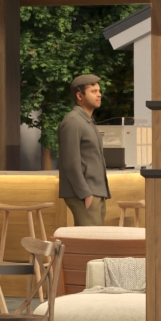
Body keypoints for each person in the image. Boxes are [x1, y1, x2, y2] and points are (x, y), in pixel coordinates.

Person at [57, 75, 110, 228]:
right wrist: (85, 193)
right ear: (80, 96)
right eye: (93, 91)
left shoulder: (87, 120)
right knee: (90, 245)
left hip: (95, 191)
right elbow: (70, 163)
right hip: (84, 193)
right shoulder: (73, 121)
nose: (99, 94)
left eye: (99, 91)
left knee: (96, 244)